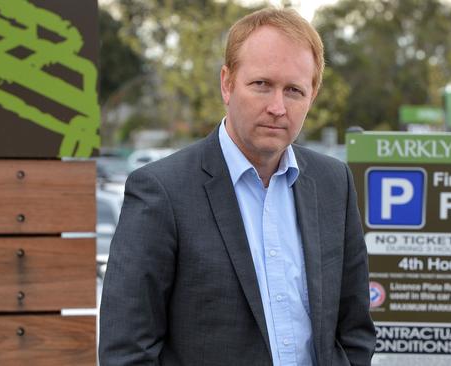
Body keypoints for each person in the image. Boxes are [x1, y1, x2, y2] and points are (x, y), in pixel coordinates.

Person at [99, 8, 375, 366]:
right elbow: (127, 349)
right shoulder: (161, 191)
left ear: (313, 95)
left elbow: (354, 328)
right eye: (261, 85)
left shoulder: (334, 184)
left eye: (293, 90)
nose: (277, 107)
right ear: (227, 84)